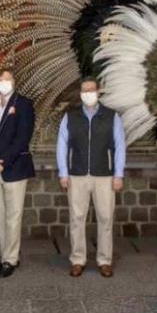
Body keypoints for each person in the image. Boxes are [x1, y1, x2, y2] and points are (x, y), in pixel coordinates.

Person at [56, 76, 125, 278]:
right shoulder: (71, 116)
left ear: (98, 92)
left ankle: (105, 260)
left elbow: (120, 146)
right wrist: (63, 172)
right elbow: (62, 145)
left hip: (104, 174)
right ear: (80, 94)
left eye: (91, 90)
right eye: (85, 91)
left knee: (105, 217)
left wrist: (118, 174)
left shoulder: (111, 116)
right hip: (77, 175)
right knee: (77, 218)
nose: (88, 94)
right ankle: (78, 259)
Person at [0, 69, 35, 278]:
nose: (3, 82)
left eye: (7, 79)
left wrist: (3, 161)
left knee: (13, 216)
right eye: (0, 79)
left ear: (14, 81)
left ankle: (11, 259)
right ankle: (5, 257)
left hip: (15, 168)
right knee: (0, 216)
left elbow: (23, 137)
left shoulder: (23, 104)